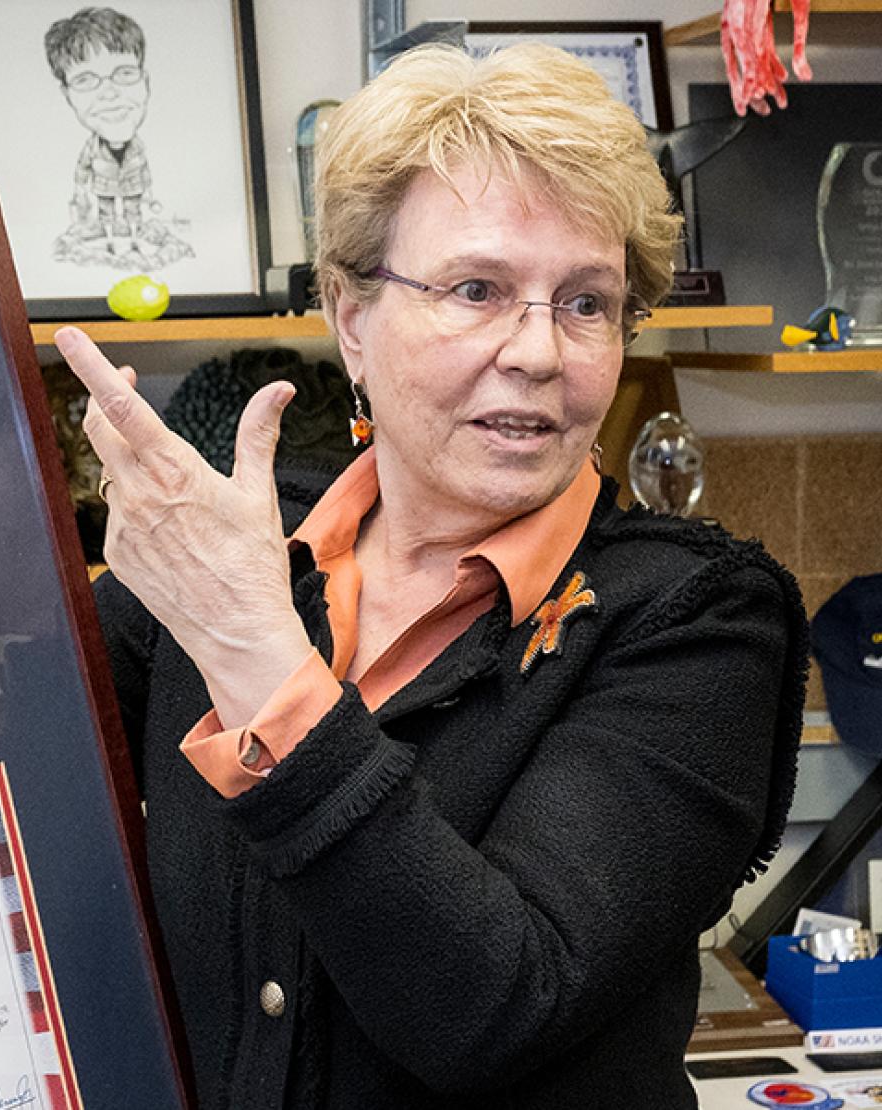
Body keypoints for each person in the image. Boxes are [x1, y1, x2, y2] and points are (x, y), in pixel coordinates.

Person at [55, 43, 807, 1109]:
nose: (539, 352)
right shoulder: (234, 564)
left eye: (587, 302)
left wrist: (256, 656)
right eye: (475, 288)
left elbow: (496, 1004)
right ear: (350, 315)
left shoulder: (694, 618)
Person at [44, 7, 191, 268]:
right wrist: (79, 192)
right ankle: (111, 241)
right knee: (106, 215)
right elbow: (82, 170)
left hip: (133, 187)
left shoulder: (139, 147)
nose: (109, 93)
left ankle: (133, 240)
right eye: (85, 79)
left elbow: (144, 169)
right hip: (103, 188)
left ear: (145, 82)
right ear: (67, 95)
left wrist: (150, 192)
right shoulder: (91, 149)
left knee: (133, 213)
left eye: (124, 73)